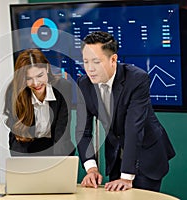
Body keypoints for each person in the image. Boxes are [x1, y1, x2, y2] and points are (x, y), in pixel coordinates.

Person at [75, 31, 175, 192]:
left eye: (96, 62)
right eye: (86, 62)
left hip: (146, 153)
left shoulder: (137, 79)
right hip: (116, 155)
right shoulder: (84, 84)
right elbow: (83, 131)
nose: (90, 69)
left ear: (113, 59)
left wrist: (126, 176)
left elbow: (134, 128)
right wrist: (91, 168)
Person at [3, 49, 75, 156]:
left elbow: (62, 132)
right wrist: (22, 168)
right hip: (26, 148)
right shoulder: (15, 92)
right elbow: (18, 137)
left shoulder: (63, 87)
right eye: (29, 78)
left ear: (46, 68)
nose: (36, 83)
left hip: (57, 147)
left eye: (39, 76)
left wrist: (58, 165)